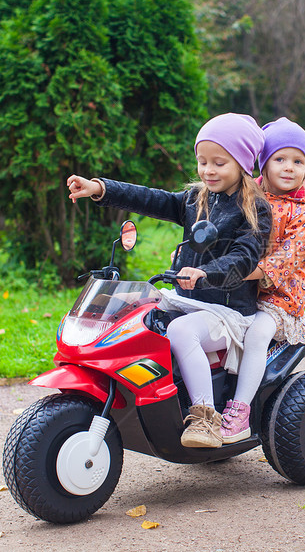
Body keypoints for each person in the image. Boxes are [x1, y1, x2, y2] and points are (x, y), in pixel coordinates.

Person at [66, 113, 272, 449]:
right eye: (202, 161)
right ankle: (144, 397)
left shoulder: (254, 210)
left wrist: (208, 272)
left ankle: (205, 417)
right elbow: (151, 198)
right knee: (134, 313)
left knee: (179, 330)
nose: (208, 170)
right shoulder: (196, 198)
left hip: (228, 312)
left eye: (219, 162)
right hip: (188, 300)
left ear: (243, 163)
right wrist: (100, 188)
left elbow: (245, 257)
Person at [220, 117, 305, 443]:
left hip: (279, 294)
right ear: (265, 162)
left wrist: (242, 272)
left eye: (298, 161)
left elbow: (286, 258)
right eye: (280, 158)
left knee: (258, 333)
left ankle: (240, 411)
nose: (289, 167)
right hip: (238, 288)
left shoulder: (303, 213)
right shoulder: (248, 195)